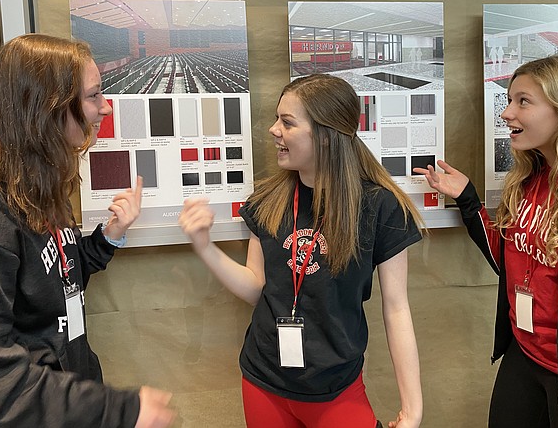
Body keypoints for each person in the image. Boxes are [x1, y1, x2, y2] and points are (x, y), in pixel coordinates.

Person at [179, 73, 423, 427]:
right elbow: (255, 286)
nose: (273, 130)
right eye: (278, 119)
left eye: (287, 122)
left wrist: (412, 407)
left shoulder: (380, 207)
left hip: (336, 388)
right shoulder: (267, 201)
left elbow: (397, 308)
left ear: (325, 136)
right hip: (265, 381)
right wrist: (204, 246)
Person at [414, 54, 558, 428]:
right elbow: (509, 260)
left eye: (523, 101)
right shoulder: (532, 177)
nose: (507, 114)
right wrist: (469, 200)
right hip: (524, 357)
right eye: (509, 101)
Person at [0, 34, 175, 427]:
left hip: (64, 397)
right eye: (94, 96)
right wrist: (116, 410)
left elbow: (55, 276)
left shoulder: (36, 183)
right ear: (42, 108)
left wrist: (107, 238)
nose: (106, 108)